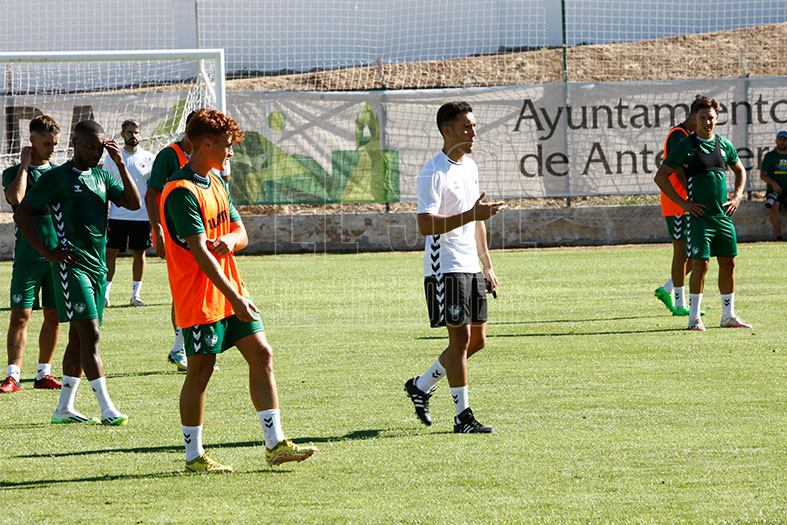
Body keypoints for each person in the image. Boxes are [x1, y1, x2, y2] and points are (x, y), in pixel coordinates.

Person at [160, 109, 316, 472]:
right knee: (200, 371)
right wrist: (236, 297)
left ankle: (275, 444)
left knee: (262, 353)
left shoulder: (216, 182)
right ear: (206, 144)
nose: (231, 152)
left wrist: (229, 241)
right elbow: (200, 253)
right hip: (200, 299)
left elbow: (241, 232)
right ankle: (193, 456)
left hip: (230, 293)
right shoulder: (180, 191)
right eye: (227, 145)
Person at [14, 120, 141, 424]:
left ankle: (63, 408)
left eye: (100, 148)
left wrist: (120, 165)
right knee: (91, 335)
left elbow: (134, 203)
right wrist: (48, 252)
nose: (96, 153)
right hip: (72, 267)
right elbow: (22, 213)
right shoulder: (57, 177)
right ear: (74, 144)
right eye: (90, 147)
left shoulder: (101, 176)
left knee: (78, 338)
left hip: (98, 268)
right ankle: (107, 409)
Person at [404, 101, 504, 433]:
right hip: (444, 266)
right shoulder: (433, 172)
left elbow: (477, 219)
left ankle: (421, 385)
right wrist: (472, 215)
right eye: (466, 127)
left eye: (474, 126)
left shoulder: (470, 167)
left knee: (477, 341)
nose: (473, 132)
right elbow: (425, 224)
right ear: (447, 131)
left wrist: (486, 264)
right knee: (459, 340)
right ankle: (463, 417)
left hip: (469, 265)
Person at [654, 96, 750, 331]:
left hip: (722, 217)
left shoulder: (724, 144)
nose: (707, 122)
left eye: (711, 118)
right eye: (702, 118)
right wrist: (684, 204)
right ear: (695, 119)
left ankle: (728, 316)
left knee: (729, 263)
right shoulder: (687, 145)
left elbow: (740, 170)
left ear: (717, 119)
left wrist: (737, 196)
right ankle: (694, 317)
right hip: (699, 219)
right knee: (700, 266)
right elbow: (661, 176)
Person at [0, 116, 62, 393]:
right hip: (27, 258)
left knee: (53, 316)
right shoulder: (12, 173)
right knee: (20, 315)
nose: (52, 149)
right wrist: (25, 165)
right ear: (32, 141)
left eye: (55, 144)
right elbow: (16, 198)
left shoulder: (59, 173)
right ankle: (12, 376)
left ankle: (43, 374)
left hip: (57, 256)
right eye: (47, 144)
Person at [147, 111, 196, 371]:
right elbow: (151, 194)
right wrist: (158, 229)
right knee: (184, 289)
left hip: (196, 232)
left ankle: (184, 348)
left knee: (190, 289)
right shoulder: (169, 155)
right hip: (176, 234)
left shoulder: (202, 157)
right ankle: (181, 348)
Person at [654, 97, 701, 316]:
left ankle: (667, 289)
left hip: (688, 204)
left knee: (696, 254)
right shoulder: (678, 135)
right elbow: (679, 168)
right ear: (694, 117)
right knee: (682, 253)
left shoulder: (690, 135)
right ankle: (680, 304)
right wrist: (690, 193)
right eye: (702, 118)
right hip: (678, 204)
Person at [103, 119, 155, 307]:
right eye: (129, 132)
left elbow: (152, 190)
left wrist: (153, 217)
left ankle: (136, 295)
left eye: (136, 132)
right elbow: (105, 187)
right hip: (117, 216)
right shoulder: (112, 158)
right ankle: (105, 294)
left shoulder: (149, 158)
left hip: (142, 217)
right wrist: (106, 215)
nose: (133, 135)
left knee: (139, 254)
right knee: (110, 253)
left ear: (140, 134)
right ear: (122, 134)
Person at [760, 130, 787, 241]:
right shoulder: (770, 156)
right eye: (780, 140)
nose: (782, 142)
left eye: (784, 140)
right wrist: (773, 183)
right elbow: (763, 175)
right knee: (774, 206)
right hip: (775, 191)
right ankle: (779, 236)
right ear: (776, 141)